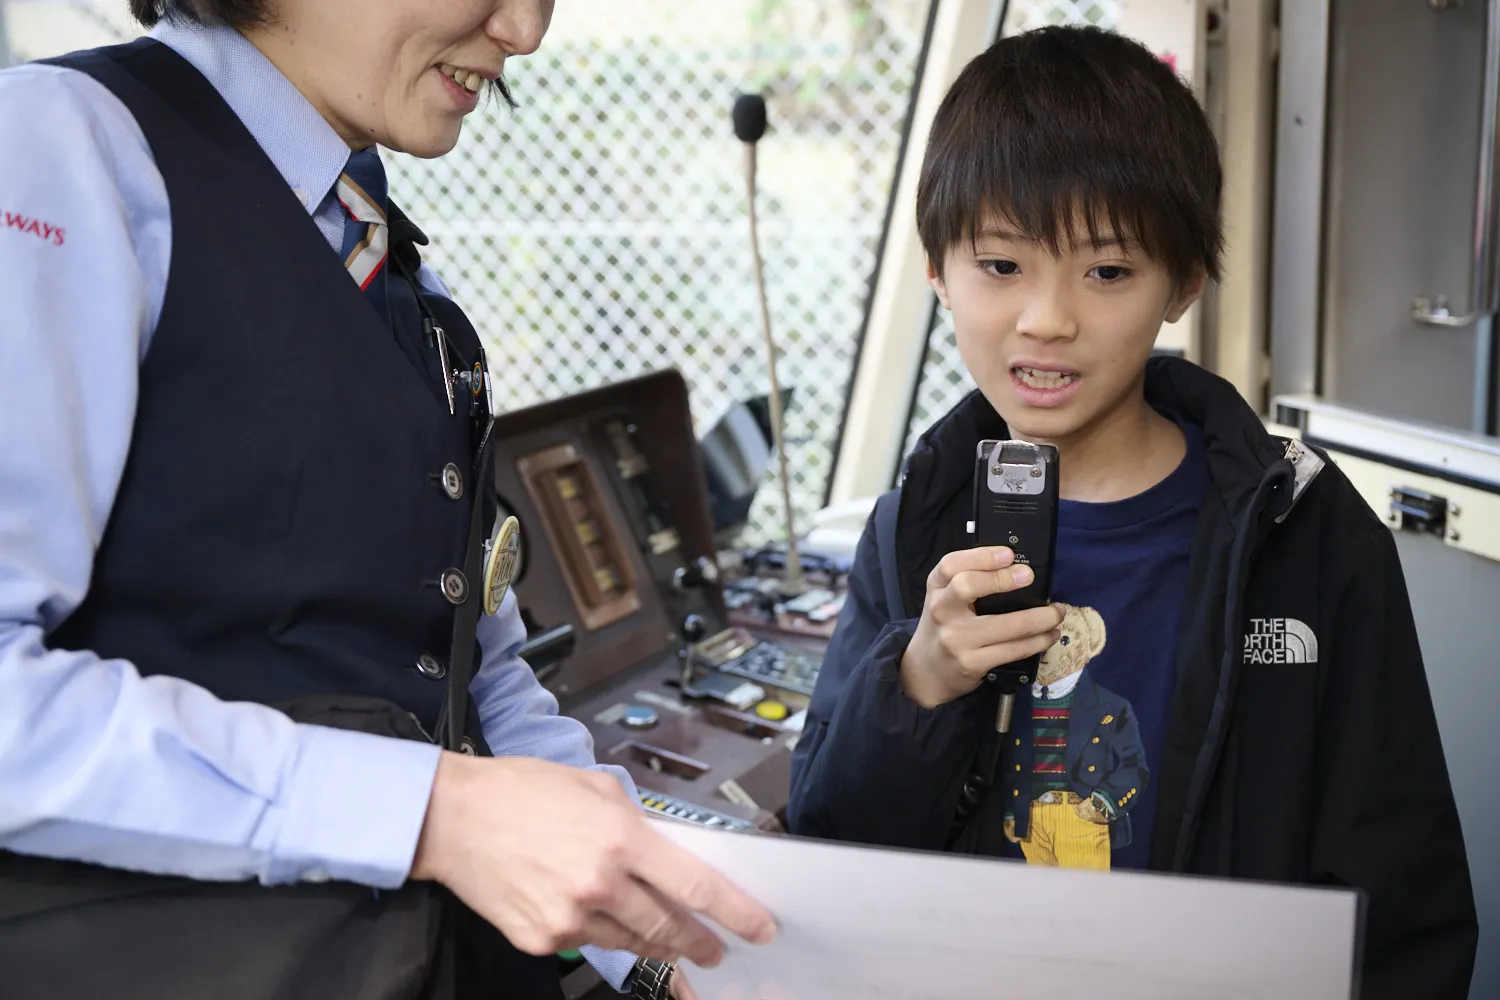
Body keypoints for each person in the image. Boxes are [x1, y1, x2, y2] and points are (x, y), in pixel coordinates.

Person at [0, 2, 774, 998]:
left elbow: (479, 683)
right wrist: (431, 814)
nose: (524, 31)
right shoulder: (59, 152)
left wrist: (672, 949)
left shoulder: (394, 268)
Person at [787, 25, 1477, 999]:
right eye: (1001, 265)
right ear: (936, 270)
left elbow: (1403, 900)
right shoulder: (912, 527)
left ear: (1184, 282)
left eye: (1107, 272)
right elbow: (830, 846)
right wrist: (919, 684)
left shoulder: (1309, 534)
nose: (1047, 319)